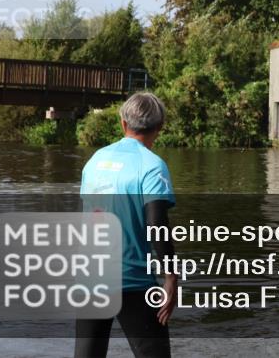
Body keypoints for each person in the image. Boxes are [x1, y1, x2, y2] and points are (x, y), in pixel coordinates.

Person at [76, 92, 177, 358]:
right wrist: (171, 277)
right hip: (133, 281)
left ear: (123, 123)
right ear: (160, 126)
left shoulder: (95, 160)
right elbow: (157, 224)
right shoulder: (153, 166)